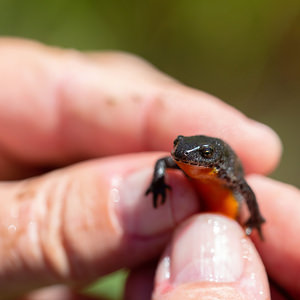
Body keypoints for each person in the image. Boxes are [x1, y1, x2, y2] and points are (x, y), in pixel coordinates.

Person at [0, 38, 298, 300]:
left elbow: (247, 190)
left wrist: (256, 219)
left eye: (204, 154)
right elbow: (163, 162)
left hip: (226, 210)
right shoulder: (182, 162)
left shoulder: (226, 174)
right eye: (179, 146)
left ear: (214, 159)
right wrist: (158, 182)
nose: (186, 156)